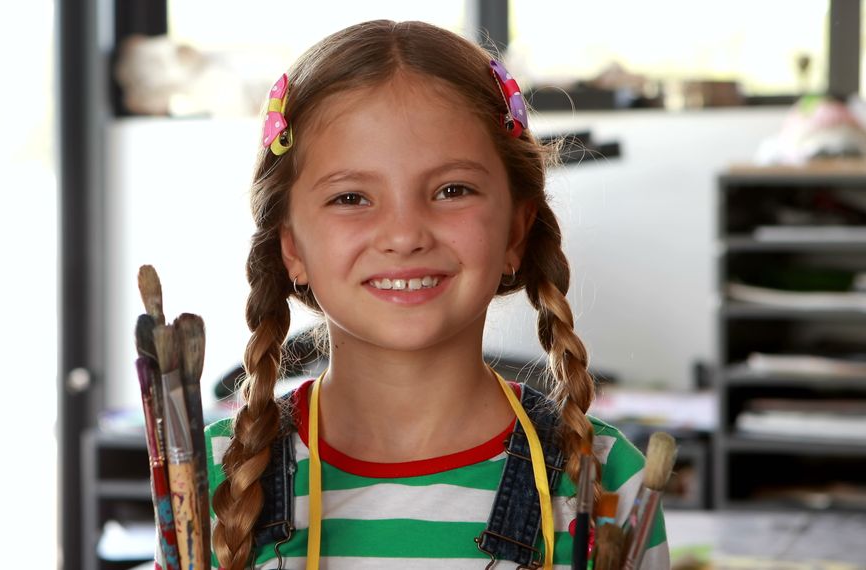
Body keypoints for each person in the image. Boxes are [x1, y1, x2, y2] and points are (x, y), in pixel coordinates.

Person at [204, 19, 670, 569]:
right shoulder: (215, 480)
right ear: (292, 247)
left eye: (453, 190)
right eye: (352, 197)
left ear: (515, 233)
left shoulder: (610, 483)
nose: (405, 235)